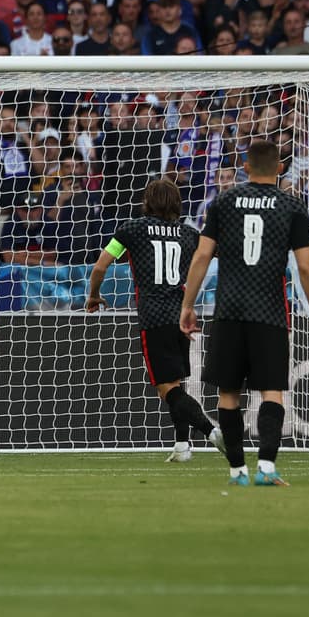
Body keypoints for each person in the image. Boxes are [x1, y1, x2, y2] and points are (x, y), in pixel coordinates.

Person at [179, 141, 309, 487]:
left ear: (245, 168)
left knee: (228, 394)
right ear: (280, 169)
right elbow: (306, 267)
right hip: (269, 312)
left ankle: (237, 472)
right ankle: (266, 467)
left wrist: (187, 305)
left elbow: (202, 256)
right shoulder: (292, 206)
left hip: (229, 310)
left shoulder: (223, 202)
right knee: (272, 391)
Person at [85, 179, 222, 463]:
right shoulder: (189, 233)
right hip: (181, 315)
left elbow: (100, 266)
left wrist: (94, 295)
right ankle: (182, 446)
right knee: (174, 383)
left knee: (166, 388)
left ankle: (212, 431)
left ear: (147, 201)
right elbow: (217, 252)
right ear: (177, 203)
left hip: (154, 317)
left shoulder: (131, 230)